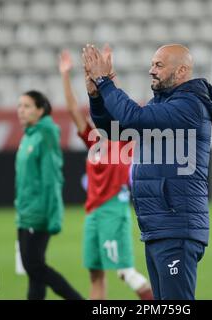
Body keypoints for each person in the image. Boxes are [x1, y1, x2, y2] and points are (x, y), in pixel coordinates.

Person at [83, 44, 212, 300]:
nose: (151, 70)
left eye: (159, 65)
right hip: (159, 224)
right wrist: (96, 96)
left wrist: (105, 82)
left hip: (177, 225)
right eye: (152, 64)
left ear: (181, 70)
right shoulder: (165, 104)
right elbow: (115, 131)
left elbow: (134, 117)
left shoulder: (189, 105)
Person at [58, 49, 153, 300]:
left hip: (113, 209)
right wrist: (65, 75)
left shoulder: (123, 140)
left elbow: (121, 107)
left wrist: (110, 77)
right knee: (95, 274)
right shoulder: (93, 141)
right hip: (93, 212)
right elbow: (72, 109)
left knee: (126, 273)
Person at [15, 90, 83, 300]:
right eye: (20, 106)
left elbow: (51, 179)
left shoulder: (44, 135)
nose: (21, 111)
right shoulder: (30, 135)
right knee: (34, 273)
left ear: (40, 110)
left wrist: (54, 216)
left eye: (27, 106)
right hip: (25, 212)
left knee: (35, 267)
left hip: (38, 213)